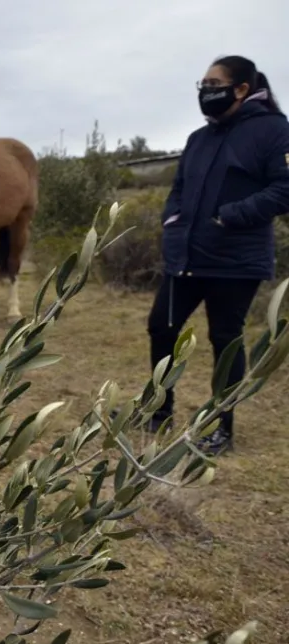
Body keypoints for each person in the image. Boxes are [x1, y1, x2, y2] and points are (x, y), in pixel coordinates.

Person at [146, 54, 289, 454]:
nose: (206, 92)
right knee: (162, 328)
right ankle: (158, 411)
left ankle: (220, 426)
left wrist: (230, 216)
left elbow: (284, 188)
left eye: (214, 84)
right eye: (203, 85)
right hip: (186, 258)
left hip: (235, 261)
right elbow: (179, 188)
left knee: (225, 341)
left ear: (242, 88)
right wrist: (171, 220)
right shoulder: (199, 138)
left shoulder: (274, 130)